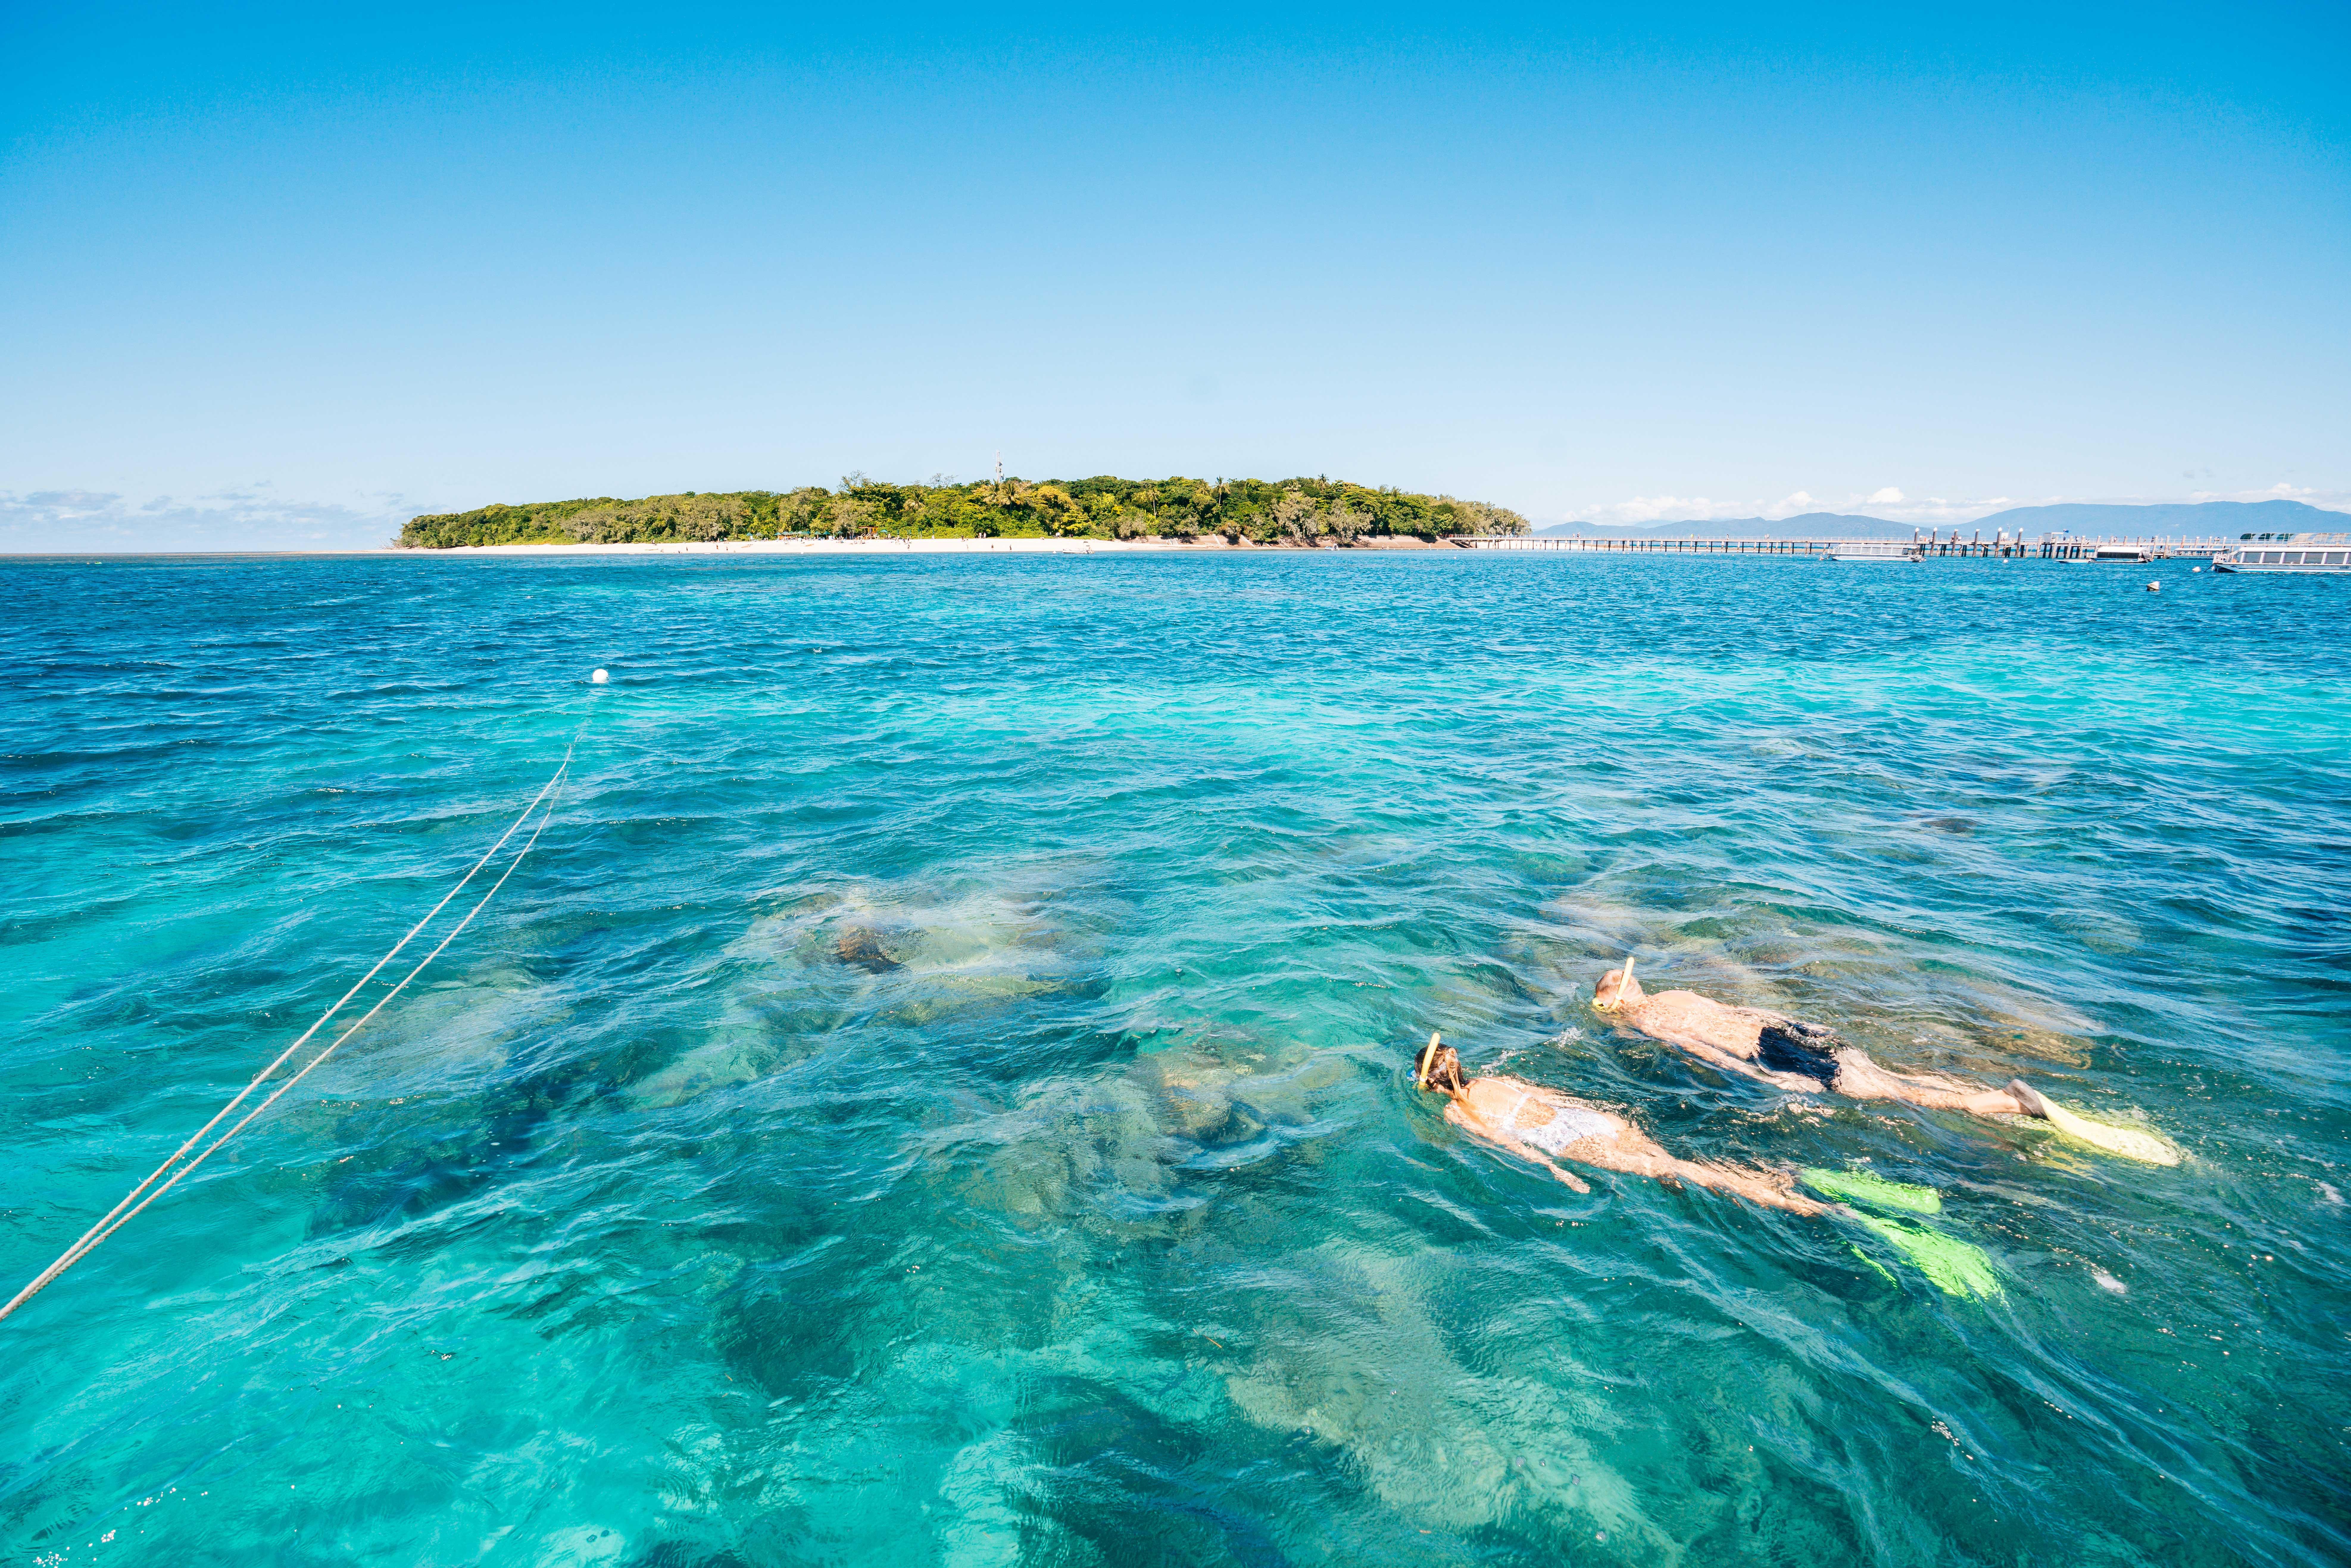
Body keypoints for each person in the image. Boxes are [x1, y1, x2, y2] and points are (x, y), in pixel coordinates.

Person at [1413, 1034, 1830, 1213]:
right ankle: (1769, 1179)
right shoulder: (1495, 1079)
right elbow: (1554, 1099)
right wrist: (1603, 1115)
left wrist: (1556, 1170)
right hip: (1583, 1119)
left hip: (1561, 1141)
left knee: (1680, 1170)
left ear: (1429, 1085)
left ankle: (1794, 1205)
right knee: (1670, 1162)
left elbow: (1512, 1147)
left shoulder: (1455, 1113)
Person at [1590, 956, 2035, 1119]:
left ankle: (2001, 1103)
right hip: (1781, 1031)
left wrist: (1768, 1079)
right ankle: (1970, 1092)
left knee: (1888, 1092)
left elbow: (1704, 1052)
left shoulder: (1648, 1023)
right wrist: (1799, 1024)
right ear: (1634, 983)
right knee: (1881, 1074)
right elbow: (1741, 1011)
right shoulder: (1677, 994)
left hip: (1768, 1050)